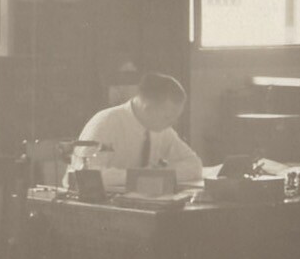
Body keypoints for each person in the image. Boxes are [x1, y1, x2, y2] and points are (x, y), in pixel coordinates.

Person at [75, 73, 205, 189]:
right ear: (147, 108)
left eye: (176, 117)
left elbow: (194, 165)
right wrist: (140, 176)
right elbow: (85, 175)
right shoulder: (106, 123)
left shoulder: (162, 129)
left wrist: (159, 174)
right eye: (167, 117)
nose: (172, 123)